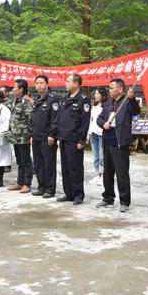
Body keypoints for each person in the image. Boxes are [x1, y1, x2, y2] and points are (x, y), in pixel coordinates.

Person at [95, 79, 141, 213]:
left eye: (111, 88)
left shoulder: (127, 101)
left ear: (120, 89)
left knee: (121, 173)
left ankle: (125, 201)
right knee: (107, 172)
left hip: (120, 143)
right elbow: (99, 118)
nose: (109, 90)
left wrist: (132, 99)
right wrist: (103, 124)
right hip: (107, 141)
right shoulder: (109, 103)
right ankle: (108, 198)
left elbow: (136, 111)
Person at [53, 74, 91, 205]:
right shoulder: (64, 99)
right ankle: (68, 193)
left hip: (75, 140)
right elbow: (60, 119)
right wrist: (58, 137)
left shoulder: (83, 100)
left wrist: (81, 140)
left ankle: (78, 195)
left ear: (76, 84)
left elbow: (84, 122)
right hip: (64, 138)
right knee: (66, 168)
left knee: (75, 168)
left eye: (68, 81)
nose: (65, 83)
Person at [30, 75, 59, 198]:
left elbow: (55, 119)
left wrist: (52, 134)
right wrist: (32, 134)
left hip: (47, 137)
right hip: (36, 137)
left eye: (41, 83)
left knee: (49, 164)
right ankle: (41, 187)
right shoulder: (37, 99)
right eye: (37, 83)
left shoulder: (53, 99)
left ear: (47, 84)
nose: (39, 85)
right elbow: (34, 119)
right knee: (38, 164)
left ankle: (50, 189)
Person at [7, 79, 33, 193]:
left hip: (24, 137)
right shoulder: (15, 101)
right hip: (15, 137)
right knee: (19, 161)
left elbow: (30, 120)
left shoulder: (25, 102)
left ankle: (27, 184)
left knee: (26, 161)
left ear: (21, 89)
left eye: (14, 87)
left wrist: (31, 135)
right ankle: (20, 182)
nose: (13, 89)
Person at [86, 86, 107, 186]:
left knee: (102, 155)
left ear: (102, 95)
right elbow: (91, 121)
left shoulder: (106, 107)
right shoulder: (94, 106)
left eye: (97, 94)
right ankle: (98, 174)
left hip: (102, 133)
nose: (95, 96)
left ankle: (103, 175)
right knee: (95, 156)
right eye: (95, 94)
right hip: (93, 132)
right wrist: (88, 133)